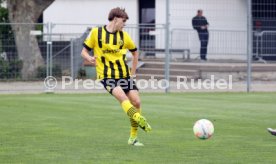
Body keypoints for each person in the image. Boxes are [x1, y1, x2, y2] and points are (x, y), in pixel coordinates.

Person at [81, 7, 151, 146]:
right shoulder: (96, 33)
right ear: (116, 19)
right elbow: (83, 51)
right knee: (123, 98)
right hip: (106, 76)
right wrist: (89, 58)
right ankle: (138, 118)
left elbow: (135, 53)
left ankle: (133, 138)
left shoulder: (124, 36)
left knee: (136, 102)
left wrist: (133, 73)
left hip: (124, 75)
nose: (124, 24)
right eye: (123, 21)